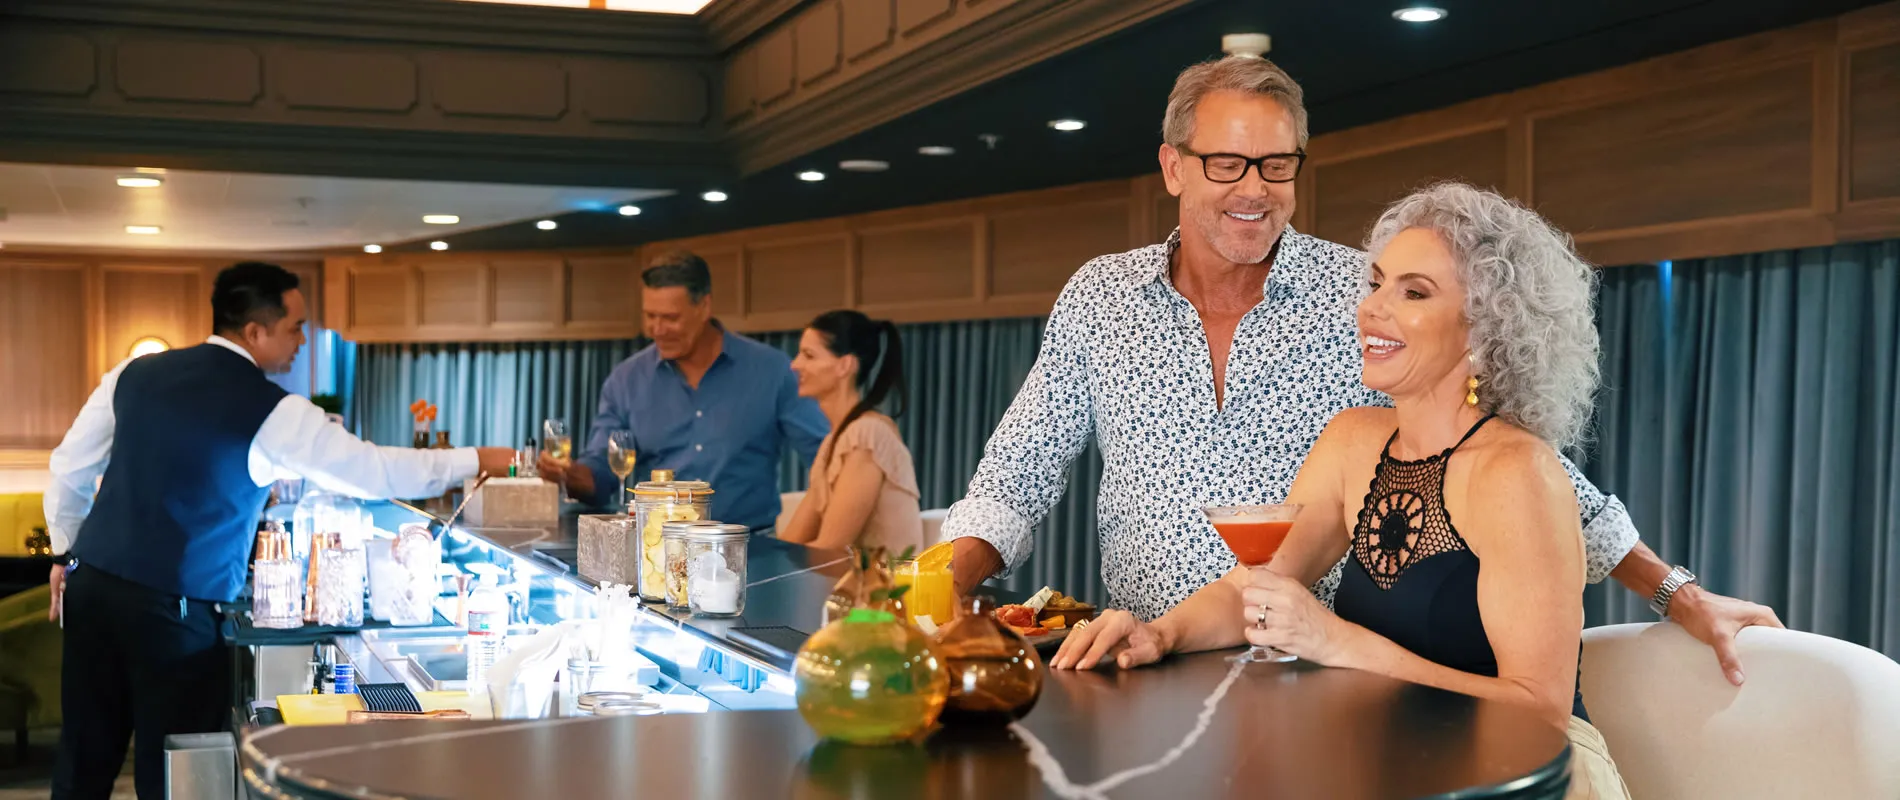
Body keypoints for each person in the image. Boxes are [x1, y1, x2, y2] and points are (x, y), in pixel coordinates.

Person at [941, 55, 1781, 685]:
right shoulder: (1102, 296)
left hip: (1328, 676)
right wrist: (933, 596)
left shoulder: (1363, 294)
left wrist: (1673, 589)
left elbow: (1514, 468)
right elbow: (1017, 472)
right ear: (1173, 167)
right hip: (1150, 657)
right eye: (1227, 163)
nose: (1255, 188)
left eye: (1277, 165)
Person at [1053, 183, 1630, 798]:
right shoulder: (1354, 440)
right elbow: (1256, 582)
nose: (1372, 306)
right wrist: (1159, 634)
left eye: (1413, 292)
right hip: (1390, 759)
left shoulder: (1520, 475)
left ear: (1484, 332)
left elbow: (1537, 711)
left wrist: (1339, 642)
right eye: (1377, 282)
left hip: (1520, 779)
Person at [43, 262, 515, 800]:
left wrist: (64, 554)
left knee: (82, 761)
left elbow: (68, 470)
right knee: (173, 774)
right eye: (295, 328)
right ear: (255, 332)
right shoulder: (273, 410)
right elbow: (372, 473)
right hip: (173, 612)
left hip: (94, 589)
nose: (301, 342)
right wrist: (478, 458)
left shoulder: (133, 373)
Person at [539, 250, 828, 531]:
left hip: (750, 549)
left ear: (704, 306)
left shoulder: (772, 371)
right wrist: (571, 475)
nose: (657, 329)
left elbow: (825, 459)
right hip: (655, 549)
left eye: (670, 318)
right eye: (650, 316)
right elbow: (603, 474)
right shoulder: (626, 379)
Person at [780, 310, 923, 552]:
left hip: (887, 588)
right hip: (850, 585)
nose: (795, 364)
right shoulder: (833, 443)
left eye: (809, 355)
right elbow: (791, 542)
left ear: (844, 365)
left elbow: (830, 549)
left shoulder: (867, 435)